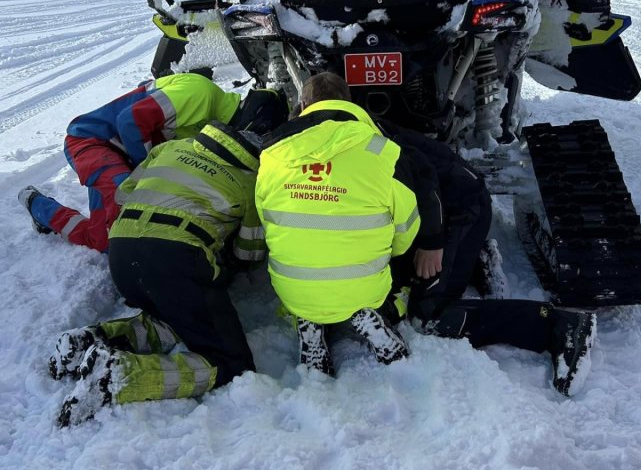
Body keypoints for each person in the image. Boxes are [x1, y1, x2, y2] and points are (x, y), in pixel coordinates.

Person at [52, 120, 266, 426]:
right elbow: (249, 254)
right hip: (177, 259)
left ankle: (91, 340)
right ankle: (119, 375)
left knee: (176, 318)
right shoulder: (251, 179)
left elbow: (124, 194)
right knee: (231, 364)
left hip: (122, 252)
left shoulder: (171, 148)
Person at [377, 118, 596, 396]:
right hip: (440, 208)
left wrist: (433, 244)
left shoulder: (366, 142)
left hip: (459, 208)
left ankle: (559, 325)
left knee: (429, 314)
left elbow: (425, 182)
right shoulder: (350, 130)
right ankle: (471, 260)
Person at [254, 72, 424, 376]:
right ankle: (374, 312)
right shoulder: (382, 151)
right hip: (364, 285)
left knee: (307, 262)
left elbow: (267, 220)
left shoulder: (272, 154)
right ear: (348, 102)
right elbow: (406, 230)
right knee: (396, 267)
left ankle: (309, 320)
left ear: (303, 105)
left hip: (293, 288)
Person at [17, 72, 286, 253]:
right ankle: (36, 204)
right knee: (121, 227)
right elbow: (130, 122)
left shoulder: (212, 122)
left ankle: (42, 210)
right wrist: (147, 176)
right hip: (93, 142)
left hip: (117, 153)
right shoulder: (201, 93)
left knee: (107, 236)